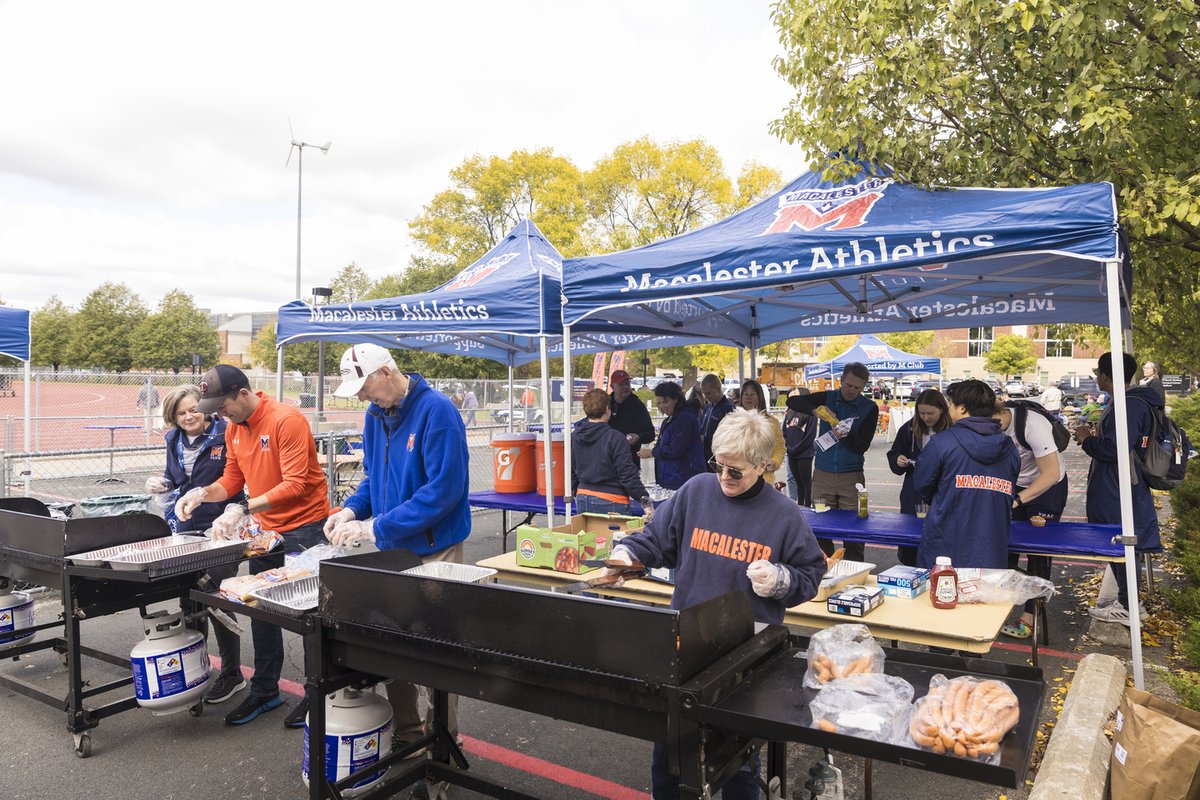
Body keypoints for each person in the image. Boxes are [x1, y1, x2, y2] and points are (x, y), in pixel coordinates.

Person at [609, 408, 827, 800]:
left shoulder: (784, 515)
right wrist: (628, 551)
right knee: (671, 752)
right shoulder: (697, 491)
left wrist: (781, 579)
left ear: (763, 466)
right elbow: (658, 539)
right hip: (687, 643)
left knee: (738, 765)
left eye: (736, 471)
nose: (724, 477)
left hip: (745, 655)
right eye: (719, 465)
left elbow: (809, 575)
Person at [322, 344, 472, 763]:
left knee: (436, 647)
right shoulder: (375, 415)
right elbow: (374, 476)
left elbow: (443, 492)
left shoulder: (437, 412)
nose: (363, 397)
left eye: (366, 386)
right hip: (394, 547)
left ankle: (443, 736)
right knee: (391, 638)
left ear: (387, 372)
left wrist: (375, 526)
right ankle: (407, 732)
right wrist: (351, 509)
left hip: (434, 547)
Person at [173, 365, 331, 728]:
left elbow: (295, 484)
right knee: (261, 609)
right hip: (267, 531)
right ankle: (265, 689)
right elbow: (232, 477)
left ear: (243, 393)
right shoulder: (233, 428)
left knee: (310, 615)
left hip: (305, 528)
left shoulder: (286, 420)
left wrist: (243, 507)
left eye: (223, 405)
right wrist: (203, 494)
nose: (219, 415)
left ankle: (317, 693)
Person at [145, 384, 246, 705]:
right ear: (173, 416)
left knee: (218, 601)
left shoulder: (226, 434)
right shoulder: (173, 439)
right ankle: (196, 665)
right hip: (185, 529)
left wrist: (234, 511)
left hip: (221, 527)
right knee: (190, 601)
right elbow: (175, 480)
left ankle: (232, 674)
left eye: (193, 409)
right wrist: (160, 484)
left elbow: (237, 481)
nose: (188, 416)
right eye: (181, 412)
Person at [1076, 352, 1161, 625]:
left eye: (1097, 373)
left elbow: (1116, 449)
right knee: (1120, 541)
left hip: (1120, 484)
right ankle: (1128, 601)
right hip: (1120, 482)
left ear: (1103, 375)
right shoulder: (1129, 402)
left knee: (1121, 541)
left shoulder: (1129, 405)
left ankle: (1129, 606)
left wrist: (1087, 440)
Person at [911, 380, 1020, 569]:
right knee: (985, 597)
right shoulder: (1009, 447)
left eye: (951, 404)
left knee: (941, 595)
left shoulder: (942, 443)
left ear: (961, 408)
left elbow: (922, 484)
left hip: (946, 545)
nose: (949, 408)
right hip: (991, 548)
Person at [785, 363, 879, 561]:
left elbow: (862, 445)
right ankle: (823, 568)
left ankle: (854, 570)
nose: (851, 391)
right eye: (848, 385)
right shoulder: (827, 397)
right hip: (822, 475)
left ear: (864, 387)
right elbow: (792, 402)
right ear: (841, 380)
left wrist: (846, 433)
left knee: (854, 531)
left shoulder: (869, 408)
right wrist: (814, 411)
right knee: (820, 527)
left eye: (857, 387)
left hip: (851, 476)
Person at [994, 398, 1069, 638]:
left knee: (1037, 553)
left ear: (1002, 412)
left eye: (993, 423)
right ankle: (999, 607)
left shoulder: (1031, 425)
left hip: (1048, 487)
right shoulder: (987, 425)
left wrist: (1018, 499)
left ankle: (1030, 615)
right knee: (1005, 546)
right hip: (1015, 483)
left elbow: (1051, 473)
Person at [886, 388, 951, 566]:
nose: (926, 418)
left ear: (942, 410)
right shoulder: (908, 428)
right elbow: (894, 452)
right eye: (921, 413)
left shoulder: (952, 430)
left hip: (942, 492)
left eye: (931, 413)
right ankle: (909, 569)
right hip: (913, 492)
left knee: (940, 537)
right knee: (910, 537)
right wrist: (897, 459)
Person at [571, 388, 650, 515]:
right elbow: (627, 474)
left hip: (583, 495)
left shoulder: (575, 436)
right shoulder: (616, 438)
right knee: (615, 536)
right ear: (607, 409)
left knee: (587, 535)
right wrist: (645, 500)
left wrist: (575, 490)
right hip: (612, 498)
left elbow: (571, 470)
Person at [640, 382, 705, 491]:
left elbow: (677, 449)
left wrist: (652, 452)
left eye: (665, 402)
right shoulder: (669, 419)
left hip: (683, 478)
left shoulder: (685, 419)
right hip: (670, 478)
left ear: (677, 399)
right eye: (659, 403)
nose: (662, 406)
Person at [739, 379, 786, 485]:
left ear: (760, 397)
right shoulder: (732, 420)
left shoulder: (772, 422)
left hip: (764, 481)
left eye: (752, 394)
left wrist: (775, 462)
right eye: (745, 394)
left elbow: (779, 448)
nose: (748, 397)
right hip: (739, 479)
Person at [607, 369, 655, 460]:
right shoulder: (606, 403)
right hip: (607, 460)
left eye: (627, 384)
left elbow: (650, 433)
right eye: (621, 384)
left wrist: (639, 437)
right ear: (612, 386)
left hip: (629, 460)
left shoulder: (637, 405)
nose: (626, 387)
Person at [782, 387, 817, 506]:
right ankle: (800, 505)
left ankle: (807, 505)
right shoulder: (790, 411)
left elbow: (810, 435)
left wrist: (796, 448)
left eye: (795, 396)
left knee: (806, 481)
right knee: (796, 481)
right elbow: (784, 431)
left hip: (804, 454)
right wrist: (788, 447)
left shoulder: (810, 413)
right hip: (791, 453)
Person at [698, 374, 735, 470]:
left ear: (718, 389)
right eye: (704, 394)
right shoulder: (708, 407)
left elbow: (730, 437)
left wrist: (706, 440)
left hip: (719, 458)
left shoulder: (728, 409)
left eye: (708, 393)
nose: (706, 397)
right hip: (705, 456)